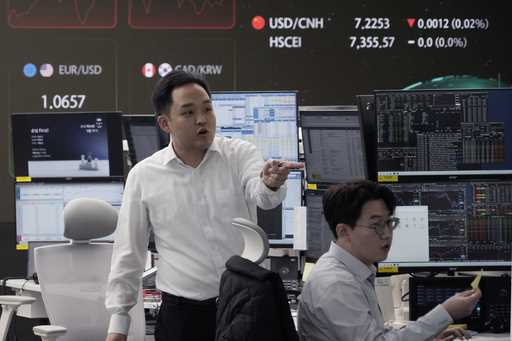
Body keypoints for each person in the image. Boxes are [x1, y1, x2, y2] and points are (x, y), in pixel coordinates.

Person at [105, 70, 303, 341]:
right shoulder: (144, 175)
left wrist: (270, 183)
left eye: (208, 109)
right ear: (165, 124)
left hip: (245, 307)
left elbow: (263, 197)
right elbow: (129, 252)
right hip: (182, 317)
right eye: (188, 113)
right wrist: (119, 323)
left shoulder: (239, 154)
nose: (202, 119)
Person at [297, 180, 481, 341]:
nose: (387, 234)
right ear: (343, 231)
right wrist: (446, 313)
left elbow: (375, 335)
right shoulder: (336, 283)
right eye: (376, 225)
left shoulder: (351, 270)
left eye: (389, 223)